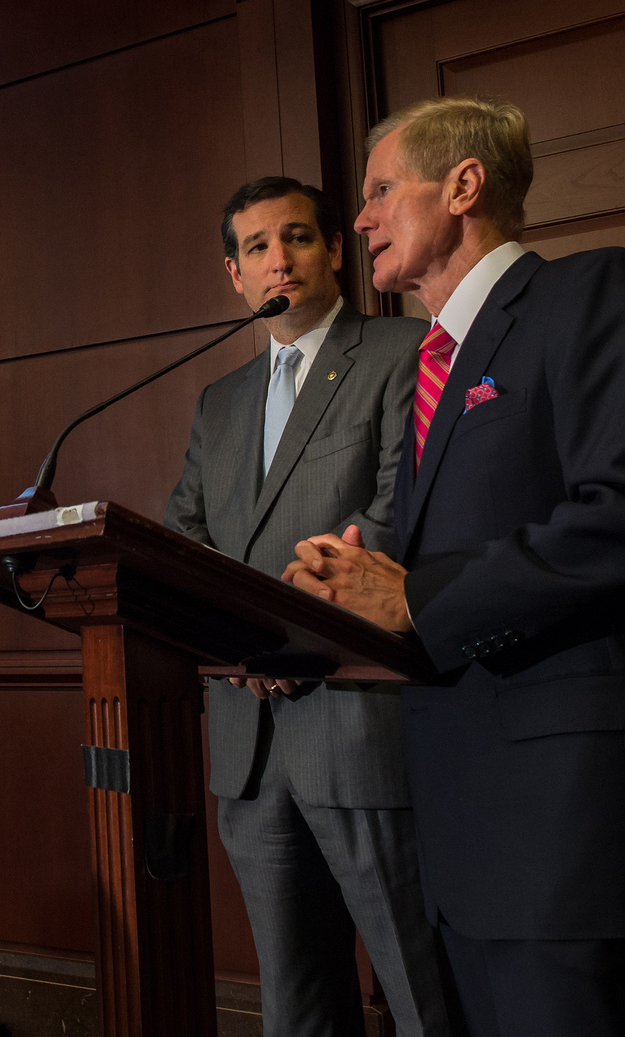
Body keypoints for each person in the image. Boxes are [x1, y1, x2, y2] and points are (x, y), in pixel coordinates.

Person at [283, 96, 625, 1036]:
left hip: (578, 837)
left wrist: (416, 596)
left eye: (378, 191)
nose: (359, 219)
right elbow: (446, 560)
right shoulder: (429, 366)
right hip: (463, 832)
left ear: (462, 185)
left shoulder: (594, 293)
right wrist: (354, 585)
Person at [166, 177, 449, 1036]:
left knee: (423, 991)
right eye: (256, 248)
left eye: (295, 238)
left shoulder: (405, 349)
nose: (277, 259)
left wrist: (285, 639)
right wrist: (242, 646)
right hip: (249, 750)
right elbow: (185, 541)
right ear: (235, 276)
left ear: (334, 249)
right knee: (297, 1006)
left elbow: (404, 509)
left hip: (358, 724)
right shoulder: (218, 404)